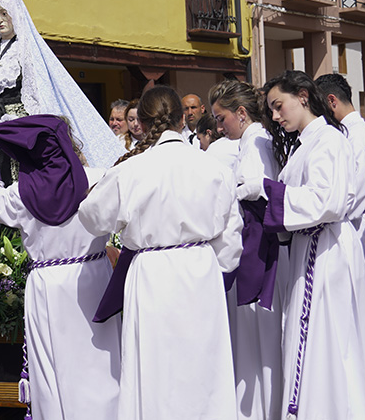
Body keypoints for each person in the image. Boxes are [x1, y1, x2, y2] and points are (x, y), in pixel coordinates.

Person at [79, 85, 243, 420]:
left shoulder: (132, 169)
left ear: (144, 120)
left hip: (152, 273)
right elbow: (231, 235)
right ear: (183, 119)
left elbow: (91, 217)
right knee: (203, 367)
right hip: (200, 271)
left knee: (157, 370)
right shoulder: (212, 167)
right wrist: (217, 270)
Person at [255, 70, 365, 419]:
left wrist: (270, 195)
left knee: (325, 336)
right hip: (312, 246)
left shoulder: (328, 140)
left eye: (279, 105)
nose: (275, 116)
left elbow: (326, 202)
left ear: (303, 96)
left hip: (325, 248)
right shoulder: (308, 143)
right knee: (326, 338)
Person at [0, 115, 121, 420]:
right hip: (91, 276)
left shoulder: (20, 194)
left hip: (48, 284)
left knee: (53, 366)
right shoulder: (99, 178)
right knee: (100, 361)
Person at [0, 0, 125, 185]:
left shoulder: (28, 50)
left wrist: (18, 121)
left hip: (15, 125)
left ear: (16, 14)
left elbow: (38, 92)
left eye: (4, 13)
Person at [209, 80, 284, 420]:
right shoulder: (251, 142)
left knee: (260, 336)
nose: (218, 126)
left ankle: (263, 409)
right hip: (252, 245)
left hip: (257, 249)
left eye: (221, 118)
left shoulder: (256, 144)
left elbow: (261, 204)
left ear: (241, 113)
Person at [315, 73, 365, 256]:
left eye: (319, 106)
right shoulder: (345, 133)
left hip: (357, 226)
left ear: (332, 101)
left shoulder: (359, 135)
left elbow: (359, 188)